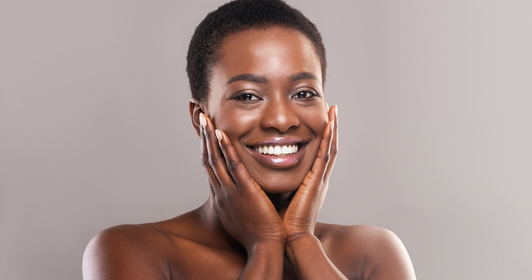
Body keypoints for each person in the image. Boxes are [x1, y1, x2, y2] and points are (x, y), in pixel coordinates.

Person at [82, 0, 416, 279]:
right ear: (201, 118)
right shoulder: (132, 251)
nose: (282, 120)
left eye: (303, 93)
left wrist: (301, 240)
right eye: (248, 96)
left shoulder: (373, 253)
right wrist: (266, 245)